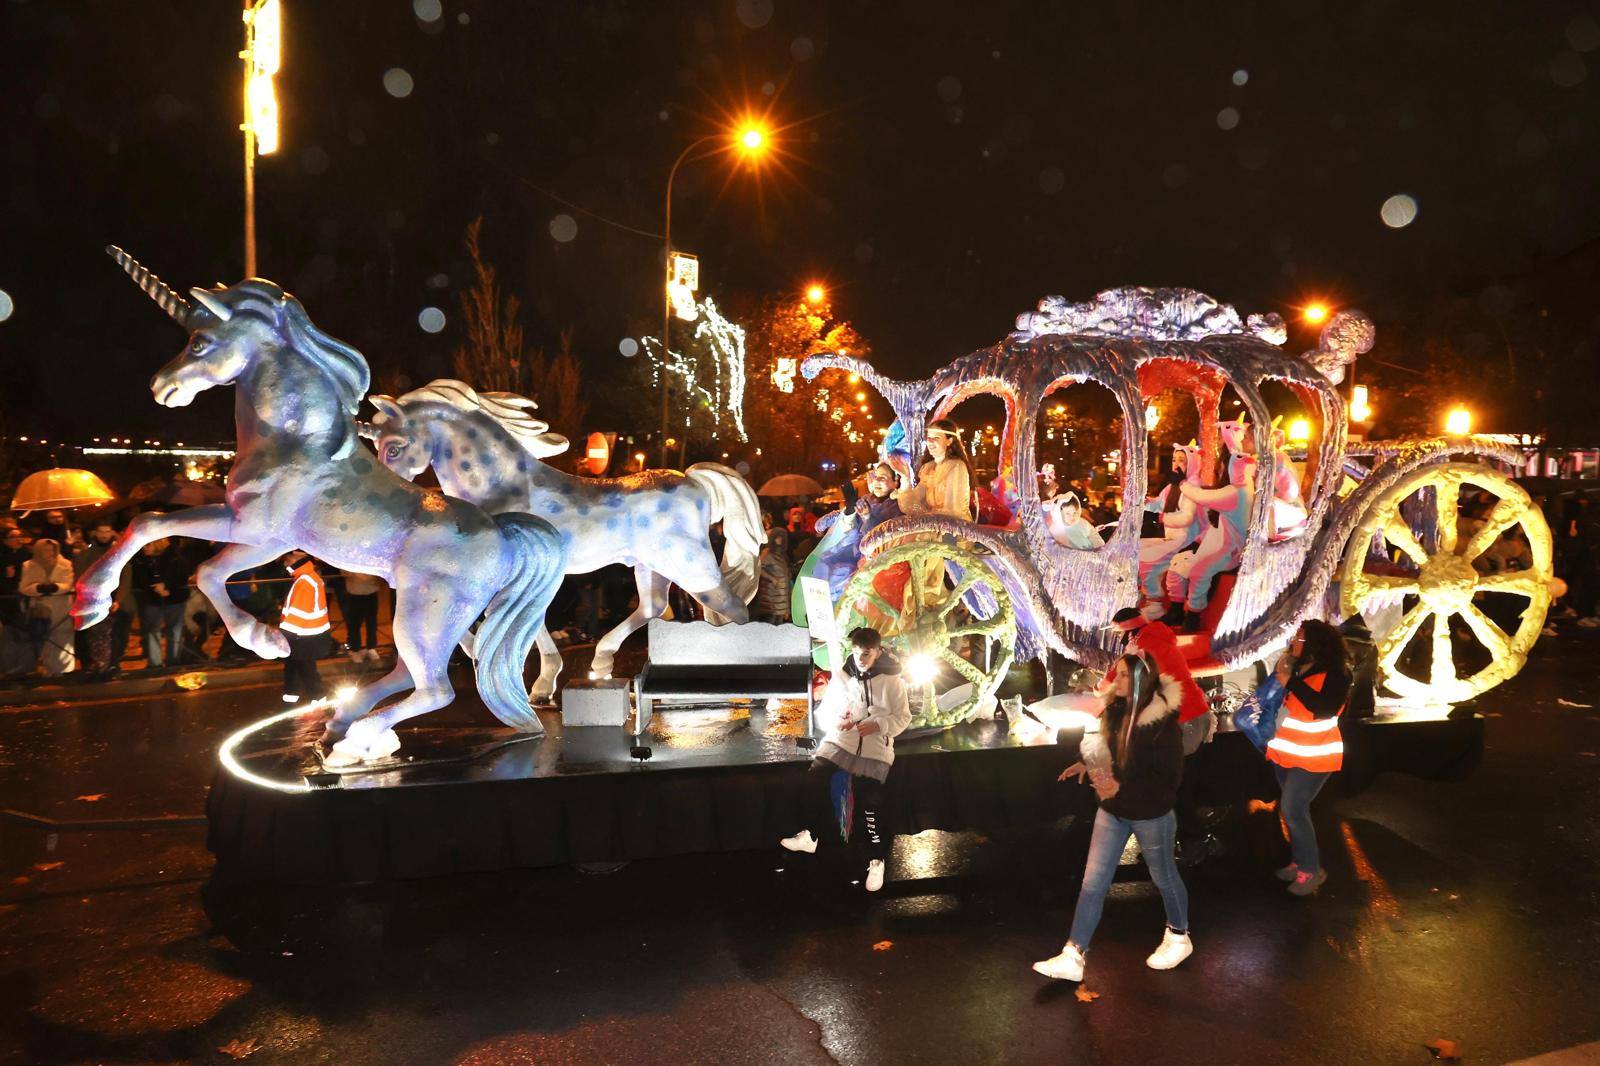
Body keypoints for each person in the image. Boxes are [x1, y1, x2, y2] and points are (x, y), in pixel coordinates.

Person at [1034, 653, 1191, 982]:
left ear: (1139, 681)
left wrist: (1121, 787)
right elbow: (1105, 746)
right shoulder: (1115, 709)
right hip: (1113, 811)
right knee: (1093, 883)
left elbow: (1167, 781)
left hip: (1151, 815)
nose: (1114, 680)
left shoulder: (1162, 726)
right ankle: (1073, 954)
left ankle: (1179, 936)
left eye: (1121, 676)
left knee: (1163, 877)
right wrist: (1084, 762)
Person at [780, 626, 912, 892]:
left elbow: (903, 717)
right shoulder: (844, 676)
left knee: (869, 804)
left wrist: (879, 725)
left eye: (866, 653)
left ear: (878, 651)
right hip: (842, 741)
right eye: (856, 653)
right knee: (815, 779)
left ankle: (876, 860)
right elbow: (826, 711)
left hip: (875, 747)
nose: (860, 659)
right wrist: (837, 720)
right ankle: (810, 835)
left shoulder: (892, 680)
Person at [1265, 619, 1352, 896]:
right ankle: (1300, 862)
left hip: (1315, 756)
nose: (1294, 642)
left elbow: (1323, 709)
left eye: (1299, 639)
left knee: (1293, 811)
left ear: (1315, 643)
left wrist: (1290, 681)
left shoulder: (1337, 674)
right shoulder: (1303, 668)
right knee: (1292, 812)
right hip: (1287, 753)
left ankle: (1311, 871)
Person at [1164, 450, 1257, 630]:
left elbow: (1201, 498)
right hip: (1219, 543)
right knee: (1179, 562)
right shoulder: (1240, 487)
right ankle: (1176, 611)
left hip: (1232, 550)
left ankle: (1193, 616)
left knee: (1200, 570)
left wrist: (1182, 483)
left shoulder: (1236, 491)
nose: (1221, 469)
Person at [1139, 442, 1206, 608]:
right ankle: (1142, 596)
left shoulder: (1193, 486)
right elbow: (1159, 503)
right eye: (1174, 459)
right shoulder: (1173, 485)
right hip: (1171, 537)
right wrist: (1143, 504)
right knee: (1135, 549)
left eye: (1182, 460)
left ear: (1192, 462)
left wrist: (1159, 517)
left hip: (1186, 540)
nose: (1176, 464)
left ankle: (1154, 603)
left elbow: (1186, 518)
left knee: (1147, 559)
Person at [74, 519, 134, 676]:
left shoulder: (119, 552)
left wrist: (119, 600)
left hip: (115, 602)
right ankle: (93, 665)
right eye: (101, 531)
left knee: (117, 636)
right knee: (93, 636)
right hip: (93, 601)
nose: (104, 535)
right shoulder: (86, 554)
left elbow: (126, 577)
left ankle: (113, 663)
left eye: (107, 531)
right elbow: (81, 576)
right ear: (95, 533)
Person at [279, 549, 331, 704]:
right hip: (309, 631)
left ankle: (318, 696)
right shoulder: (308, 577)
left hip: (303, 633)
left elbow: (297, 613)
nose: (284, 561)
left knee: (304, 666)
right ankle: (291, 694)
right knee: (295, 663)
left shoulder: (304, 581)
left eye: (287, 557)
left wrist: (284, 635)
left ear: (297, 557)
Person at [19, 538, 77, 675]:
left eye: (52, 550)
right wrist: (37, 588)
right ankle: (45, 667)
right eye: (45, 550)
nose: (49, 553)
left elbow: (69, 583)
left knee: (63, 636)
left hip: (61, 605)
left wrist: (55, 587)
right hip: (41, 607)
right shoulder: (28, 565)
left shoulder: (66, 564)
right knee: (43, 637)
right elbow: (24, 586)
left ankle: (64, 668)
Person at [896, 420, 974, 522]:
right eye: (929, 438)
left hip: (952, 530)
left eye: (936, 438)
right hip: (932, 525)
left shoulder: (956, 466)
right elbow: (912, 506)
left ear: (949, 441)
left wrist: (927, 517)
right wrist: (905, 479)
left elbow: (953, 511)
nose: (931, 442)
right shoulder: (927, 468)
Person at [130, 538, 186, 668]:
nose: (145, 548)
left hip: (174, 598)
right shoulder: (141, 559)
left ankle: (173, 660)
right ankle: (155, 662)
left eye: (149, 544)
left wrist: (166, 586)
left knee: (174, 629)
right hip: (152, 600)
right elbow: (138, 578)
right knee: (153, 630)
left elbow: (181, 575)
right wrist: (154, 586)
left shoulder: (174, 555)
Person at [338, 568, 383, 662]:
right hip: (354, 592)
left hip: (371, 591)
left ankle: (371, 647)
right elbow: (344, 570)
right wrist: (365, 576)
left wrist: (368, 577)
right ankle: (355, 649)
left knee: (372, 622)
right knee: (354, 623)